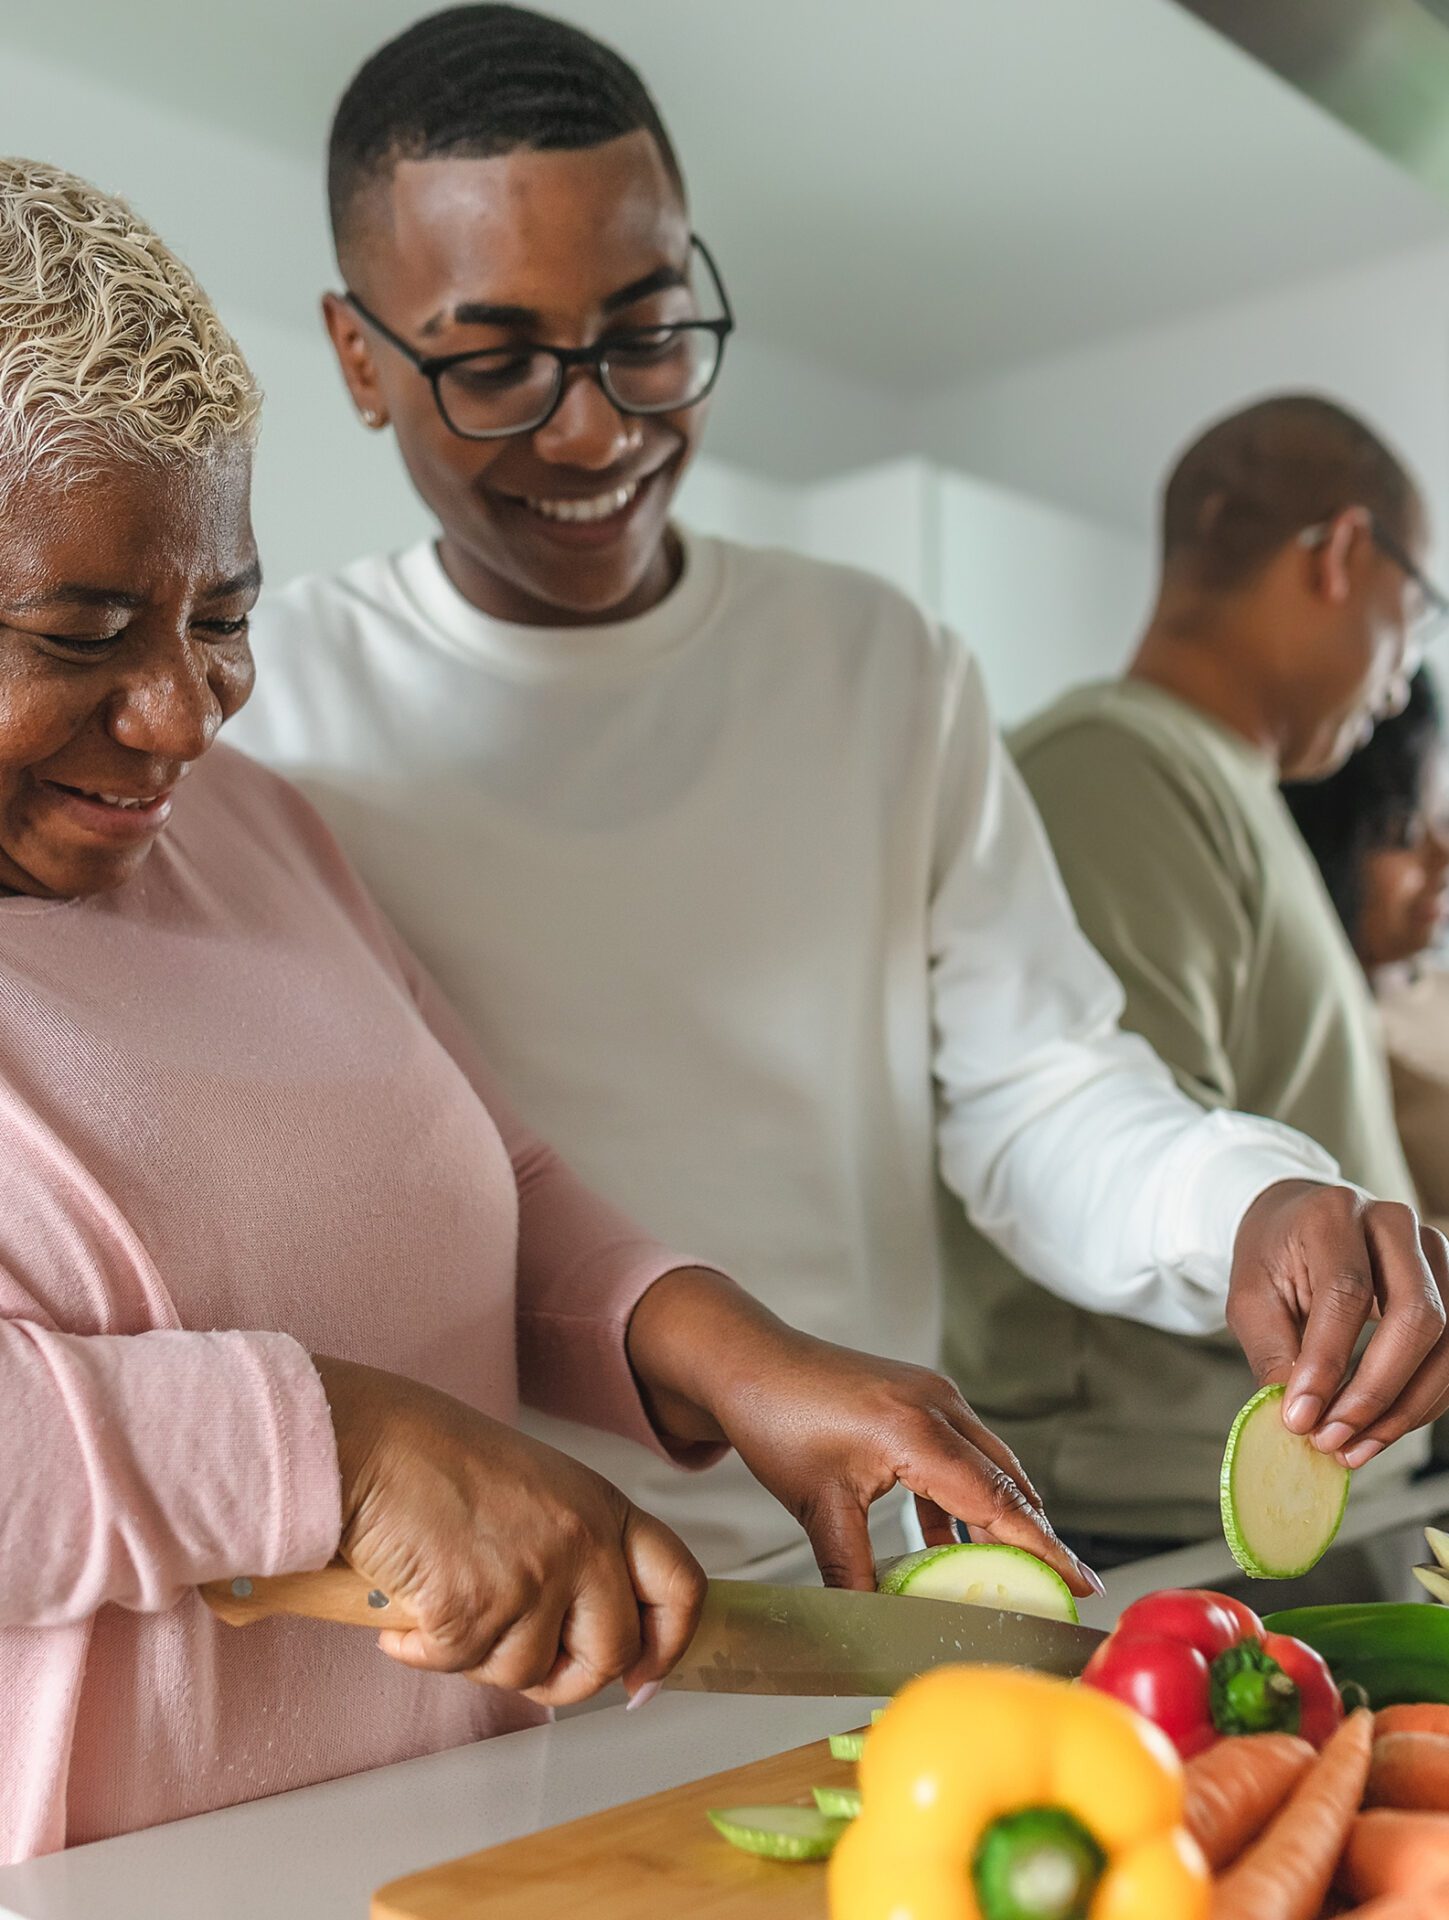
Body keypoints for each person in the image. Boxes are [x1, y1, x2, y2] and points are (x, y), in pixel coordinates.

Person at [234, 7, 1449, 1583]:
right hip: (481, 1603)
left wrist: (1251, 1194)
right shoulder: (266, 711)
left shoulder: (878, 668)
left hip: (868, 1570)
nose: (595, 425)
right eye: (496, 363)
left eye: (647, 330)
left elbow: (1041, 1095)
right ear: (359, 357)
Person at [0, 158, 1110, 1867]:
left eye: (221, 617)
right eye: (82, 634)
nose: (176, 716)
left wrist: (729, 1353)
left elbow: (482, 1174)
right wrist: (342, 1451)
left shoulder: (260, 831)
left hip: (476, 1841)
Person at [945, 394, 1441, 1566]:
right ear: (1342, 553)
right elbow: (1109, 1153)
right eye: (1416, 617)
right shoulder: (1113, 767)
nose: (1403, 675)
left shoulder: (1221, 786)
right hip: (1163, 1519)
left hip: (1283, 1497)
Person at [1286, 671, 1449, 1236]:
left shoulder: (1435, 989)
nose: (1442, 857)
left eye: (1443, 819)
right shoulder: (1325, 1040)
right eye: (1401, 831)